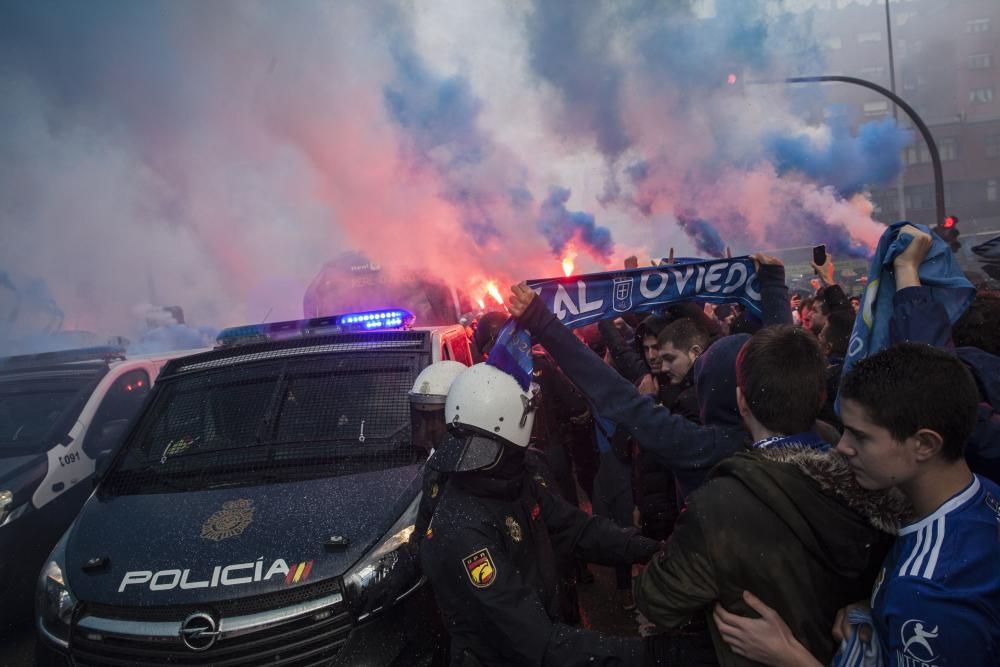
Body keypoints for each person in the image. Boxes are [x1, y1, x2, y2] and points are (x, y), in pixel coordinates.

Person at [712, 343, 1000, 667]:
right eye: (844, 430)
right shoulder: (984, 493)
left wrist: (787, 655)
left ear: (924, 444)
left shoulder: (928, 593)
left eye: (860, 436)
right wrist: (876, 609)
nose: (843, 447)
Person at [633, 326, 903, 665]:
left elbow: (659, 601)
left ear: (741, 402)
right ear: (821, 397)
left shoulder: (719, 503)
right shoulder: (874, 474)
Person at [420, 363, 661, 666]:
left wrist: (646, 547)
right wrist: (651, 654)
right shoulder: (464, 530)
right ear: (509, 426)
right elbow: (537, 642)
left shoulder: (512, 480)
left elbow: (575, 530)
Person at [656, 317, 710, 422]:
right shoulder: (718, 384)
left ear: (695, 352)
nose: (663, 368)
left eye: (670, 359)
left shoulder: (689, 402)